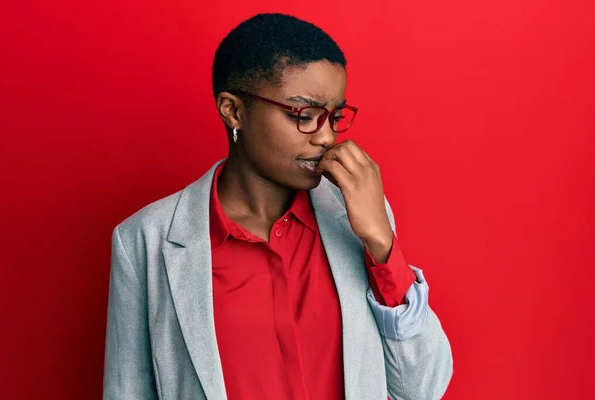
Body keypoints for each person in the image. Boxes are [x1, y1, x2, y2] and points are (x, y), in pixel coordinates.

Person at [103, 13, 452, 400]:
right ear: (233, 110)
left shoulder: (359, 217)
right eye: (303, 115)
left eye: (335, 116)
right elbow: (127, 390)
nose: (326, 136)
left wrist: (382, 245)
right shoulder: (144, 241)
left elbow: (422, 389)